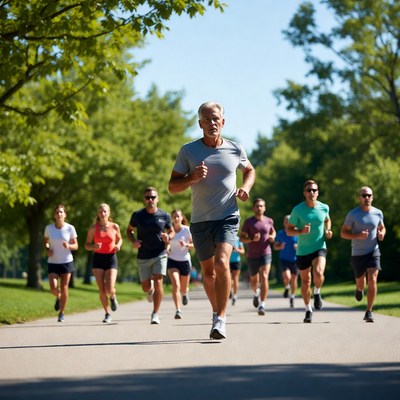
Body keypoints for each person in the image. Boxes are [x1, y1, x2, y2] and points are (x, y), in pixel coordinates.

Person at [168, 101, 255, 340]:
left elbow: (250, 170)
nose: (212, 123)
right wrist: (191, 177)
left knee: (222, 262)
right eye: (207, 119)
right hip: (200, 220)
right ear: (200, 124)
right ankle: (216, 311)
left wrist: (245, 187)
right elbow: (172, 186)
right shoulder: (188, 151)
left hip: (228, 216)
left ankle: (221, 317)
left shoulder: (235, 149)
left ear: (223, 122)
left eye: (215, 118)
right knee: (208, 273)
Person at [126, 187, 175, 325]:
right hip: (143, 255)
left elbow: (171, 231)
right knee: (145, 287)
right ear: (144, 199)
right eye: (147, 197)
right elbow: (129, 231)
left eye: (153, 197)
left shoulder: (164, 215)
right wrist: (134, 241)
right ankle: (150, 290)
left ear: (157, 199)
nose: (150, 200)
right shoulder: (137, 215)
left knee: (159, 280)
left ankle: (155, 313)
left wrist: (168, 237)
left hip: (160, 253)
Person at [286, 180, 332, 323]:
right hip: (303, 251)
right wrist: (300, 231)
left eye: (314, 190)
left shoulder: (324, 208)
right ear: (305, 193)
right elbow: (289, 230)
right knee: (306, 282)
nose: (312, 193)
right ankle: (308, 310)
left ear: (318, 192)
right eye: (309, 190)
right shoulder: (298, 210)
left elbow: (327, 220)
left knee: (318, 273)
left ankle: (317, 292)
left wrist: (328, 230)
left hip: (319, 247)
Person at [340, 186, 386, 323]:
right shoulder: (353, 214)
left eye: (369, 195)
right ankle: (359, 289)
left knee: (373, 278)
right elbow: (343, 233)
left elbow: (382, 227)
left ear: (372, 197)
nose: (367, 198)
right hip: (358, 254)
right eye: (364, 195)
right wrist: (358, 235)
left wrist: (382, 233)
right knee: (362, 283)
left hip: (373, 251)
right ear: (359, 198)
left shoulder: (378, 213)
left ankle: (369, 311)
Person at [85, 203, 123, 323]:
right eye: (100, 211)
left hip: (111, 258)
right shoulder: (93, 228)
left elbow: (120, 239)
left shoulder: (114, 226)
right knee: (101, 290)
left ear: (109, 213)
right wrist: (94, 246)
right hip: (98, 258)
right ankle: (107, 313)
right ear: (98, 213)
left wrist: (118, 245)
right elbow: (86, 245)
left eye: (105, 211)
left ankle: (113, 296)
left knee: (109, 288)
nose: (103, 213)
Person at [240, 198, 276, 316]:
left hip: (266, 253)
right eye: (257, 206)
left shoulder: (269, 221)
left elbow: (273, 231)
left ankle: (262, 304)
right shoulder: (248, 222)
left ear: (264, 208)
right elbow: (242, 238)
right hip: (252, 255)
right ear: (253, 208)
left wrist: (272, 237)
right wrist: (251, 239)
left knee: (264, 276)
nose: (259, 208)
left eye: (261, 206)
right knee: (254, 280)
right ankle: (256, 293)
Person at [44, 204, 79, 323]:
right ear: (54, 215)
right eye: (57, 212)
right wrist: (48, 249)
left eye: (61, 212)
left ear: (65, 215)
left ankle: (62, 313)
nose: (59, 214)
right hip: (53, 262)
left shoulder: (70, 228)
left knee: (64, 287)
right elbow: (46, 241)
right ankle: (58, 297)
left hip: (66, 262)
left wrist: (68, 245)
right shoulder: (49, 228)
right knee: (53, 288)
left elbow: (76, 245)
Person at [167, 209, 194, 319]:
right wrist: (167, 249)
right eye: (174, 216)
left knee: (183, 288)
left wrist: (186, 244)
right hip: (172, 260)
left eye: (178, 216)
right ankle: (178, 310)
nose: (176, 218)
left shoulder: (186, 230)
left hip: (185, 261)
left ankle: (184, 294)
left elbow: (195, 245)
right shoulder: (170, 231)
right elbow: (167, 243)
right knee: (176, 285)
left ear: (182, 218)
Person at [273, 215, 298, 308]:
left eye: (289, 221)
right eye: (286, 221)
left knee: (294, 278)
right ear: (284, 223)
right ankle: (287, 287)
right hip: (284, 259)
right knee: (287, 277)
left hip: (295, 259)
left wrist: (297, 247)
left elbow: (303, 245)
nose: (287, 222)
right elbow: (275, 246)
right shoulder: (280, 233)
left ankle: (292, 296)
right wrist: (280, 247)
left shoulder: (297, 233)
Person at [229, 237, 245, 306]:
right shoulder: (226, 236)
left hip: (236, 261)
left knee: (235, 279)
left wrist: (237, 250)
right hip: (227, 261)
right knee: (229, 278)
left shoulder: (238, 239)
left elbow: (243, 251)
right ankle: (229, 291)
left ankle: (235, 296)